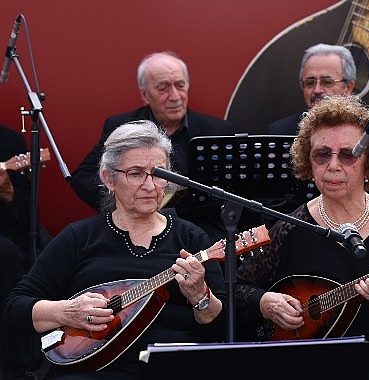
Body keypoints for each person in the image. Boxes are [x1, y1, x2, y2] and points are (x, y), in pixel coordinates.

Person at [236, 95, 369, 380]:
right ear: (309, 163)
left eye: (348, 154)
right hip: (312, 359)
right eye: (322, 154)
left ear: (368, 164)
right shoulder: (290, 227)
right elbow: (237, 288)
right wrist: (265, 302)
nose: (333, 165)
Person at [4, 121, 227, 379]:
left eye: (159, 173)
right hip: (91, 369)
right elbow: (15, 308)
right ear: (108, 178)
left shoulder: (191, 238)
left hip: (173, 367)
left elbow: (221, 331)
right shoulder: (80, 237)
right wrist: (67, 311)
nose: (150, 185)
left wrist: (200, 296)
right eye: (135, 173)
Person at [70, 51, 235, 241]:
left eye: (180, 85)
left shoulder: (217, 129)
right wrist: (126, 202)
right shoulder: (123, 126)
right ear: (145, 95)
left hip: (200, 231)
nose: (175, 96)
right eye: (163, 88)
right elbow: (83, 178)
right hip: (135, 229)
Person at [268, 42, 369, 207]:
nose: (317, 89)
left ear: (348, 87)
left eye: (327, 82)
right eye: (310, 82)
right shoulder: (280, 131)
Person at [0, 124, 50, 380]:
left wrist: (8, 193)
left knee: (6, 253)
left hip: (5, 234)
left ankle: (17, 366)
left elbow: (27, 218)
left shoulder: (9, 142)